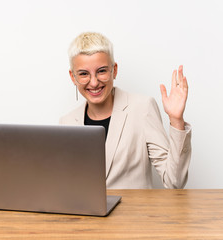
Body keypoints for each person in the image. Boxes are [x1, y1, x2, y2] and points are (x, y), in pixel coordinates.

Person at [59, 32, 192, 189]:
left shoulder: (142, 108)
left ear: (114, 70)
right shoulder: (66, 122)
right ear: (73, 77)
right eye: (83, 74)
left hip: (133, 213)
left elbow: (174, 182)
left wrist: (176, 120)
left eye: (101, 71)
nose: (94, 82)